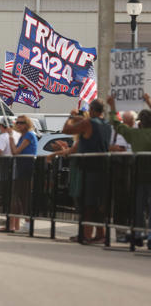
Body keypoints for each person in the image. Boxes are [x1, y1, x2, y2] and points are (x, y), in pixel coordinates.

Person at [62, 98, 112, 244]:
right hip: (103, 166)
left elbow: (67, 130)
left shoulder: (88, 122)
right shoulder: (107, 124)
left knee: (87, 203)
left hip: (89, 167)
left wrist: (71, 117)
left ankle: (86, 234)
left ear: (91, 110)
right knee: (98, 203)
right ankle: (100, 234)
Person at [107, 94, 151, 248]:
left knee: (138, 207)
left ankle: (138, 234)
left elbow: (116, 124)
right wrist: (148, 101)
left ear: (139, 123)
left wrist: (112, 106)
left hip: (138, 175)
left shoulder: (134, 134)